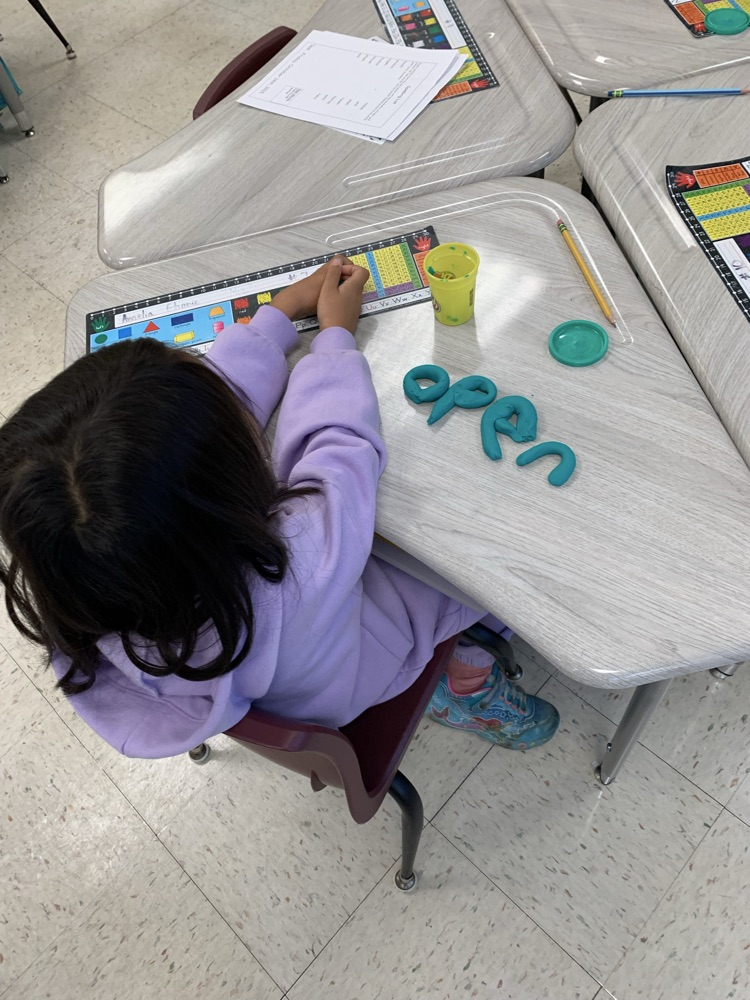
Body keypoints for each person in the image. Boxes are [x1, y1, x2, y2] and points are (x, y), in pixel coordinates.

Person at [0, 257, 559, 759]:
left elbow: (175, 436)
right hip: (363, 674)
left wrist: (278, 316)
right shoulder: (301, 552)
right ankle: (465, 683)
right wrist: (335, 338)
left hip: (273, 690)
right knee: (490, 563)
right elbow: (340, 451)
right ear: (222, 480)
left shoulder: (79, 580)